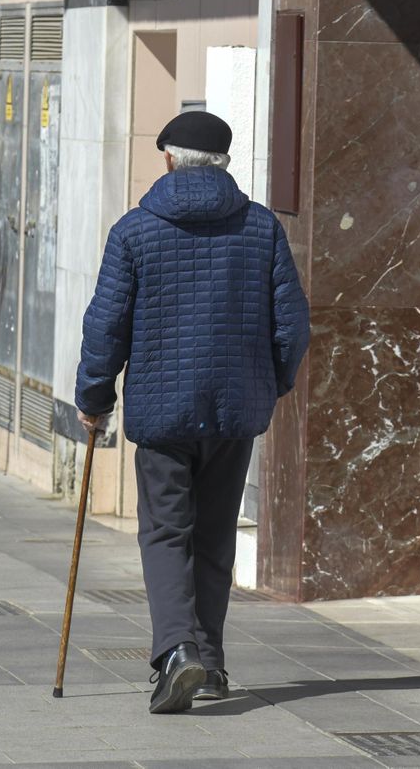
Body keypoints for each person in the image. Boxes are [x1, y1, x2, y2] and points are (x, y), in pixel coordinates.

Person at [75, 111, 310, 714]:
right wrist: (270, 385)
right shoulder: (261, 229)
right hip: (234, 411)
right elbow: (293, 327)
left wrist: (94, 399)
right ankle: (211, 664)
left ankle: (180, 653)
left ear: (168, 159)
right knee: (214, 538)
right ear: (224, 163)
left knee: (164, 532)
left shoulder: (134, 231)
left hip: (161, 411)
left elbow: (107, 324)